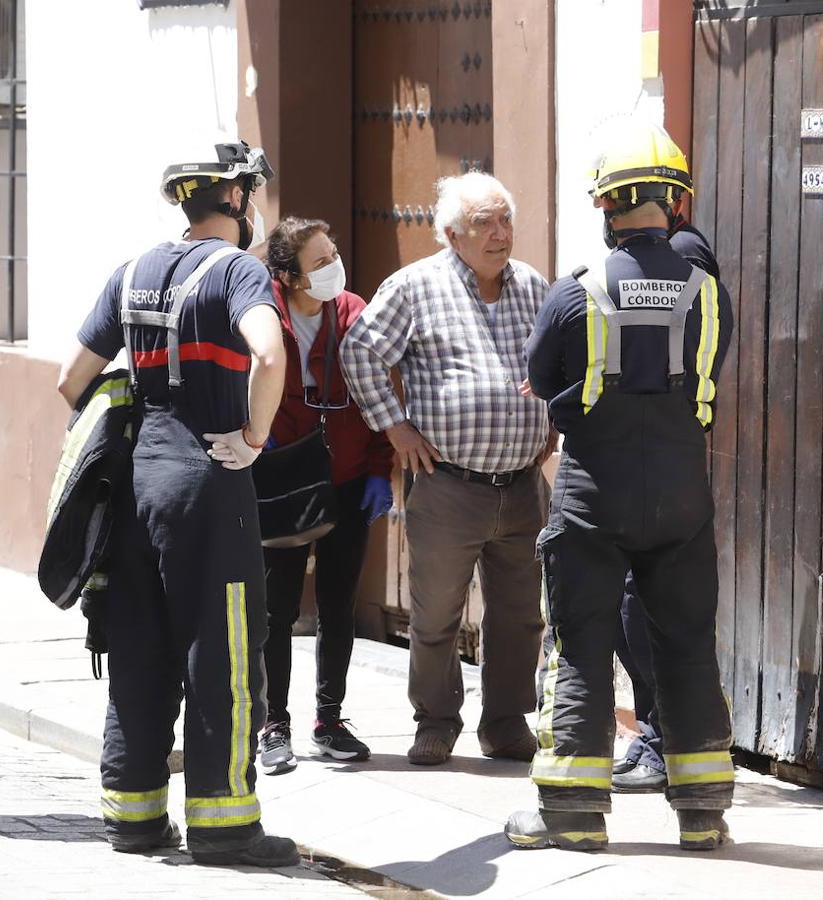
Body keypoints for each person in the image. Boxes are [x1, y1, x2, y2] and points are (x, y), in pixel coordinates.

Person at [56, 141, 299, 868]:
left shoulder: (131, 272)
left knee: (136, 647)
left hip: (133, 484)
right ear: (234, 199)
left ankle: (132, 819)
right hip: (205, 481)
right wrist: (253, 437)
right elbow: (268, 353)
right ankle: (225, 828)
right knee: (220, 652)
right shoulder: (236, 270)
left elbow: (71, 381)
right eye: (249, 193)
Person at [509, 121, 736, 851]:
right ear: (673, 203)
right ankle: (702, 813)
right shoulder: (706, 292)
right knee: (686, 644)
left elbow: (541, 377)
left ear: (605, 208)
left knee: (578, 645)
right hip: (680, 490)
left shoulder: (574, 292)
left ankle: (572, 816)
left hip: (593, 490)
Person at [340, 172, 555, 767]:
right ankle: (436, 721)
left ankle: (507, 722)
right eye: (484, 222)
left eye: (504, 219)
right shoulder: (416, 286)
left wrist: (551, 425)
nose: (499, 233)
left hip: (521, 485)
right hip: (449, 484)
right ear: (453, 234)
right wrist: (394, 425)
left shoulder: (534, 286)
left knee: (519, 615)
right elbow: (360, 349)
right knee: (436, 613)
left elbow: (561, 357)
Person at [256, 218, 395, 774]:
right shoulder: (263, 315)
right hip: (283, 478)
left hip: (350, 478)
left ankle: (329, 720)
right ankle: (273, 725)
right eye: (319, 261)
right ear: (288, 277)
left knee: (339, 604)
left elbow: (378, 391)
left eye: (333, 254)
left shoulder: (352, 312)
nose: (333, 266)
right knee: (278, 608)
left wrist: (381, 469)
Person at [613, 216, 722, 795]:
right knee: (624, 613)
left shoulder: (681, 256)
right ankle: (656, 735)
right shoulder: (650, 255)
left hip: (658, 466)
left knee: (647, 614)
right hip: (638, 463)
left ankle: (666, 742)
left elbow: (683, 351)